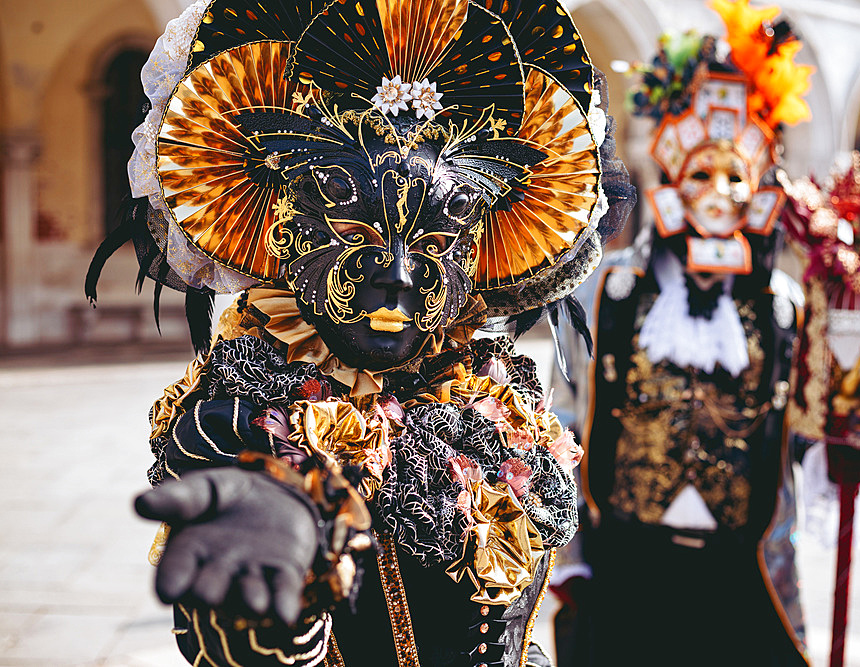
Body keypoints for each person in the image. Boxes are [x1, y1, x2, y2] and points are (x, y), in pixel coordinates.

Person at [85, 1, 634, 665]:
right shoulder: (243, 416)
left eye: (436, 236)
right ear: (283, 225)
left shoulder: (484, 392)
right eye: (356, 231)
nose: (398, 276)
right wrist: (281, 568)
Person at [573, 1, 813, 664]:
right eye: (700, 174)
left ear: (755, 190)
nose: (716, 193)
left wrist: (845, 444)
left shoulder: (781, 305)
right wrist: (566, 555)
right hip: (629, 554)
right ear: (672, 181)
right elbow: (573, 419)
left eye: (733, 176)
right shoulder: (615, 290)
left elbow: (799, 427)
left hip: (735, 566)